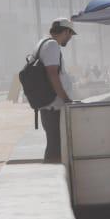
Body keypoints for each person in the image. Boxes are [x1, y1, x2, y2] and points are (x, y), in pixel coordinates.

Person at [35, 19, 76, 163]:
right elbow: (52, 73)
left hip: (49, 104)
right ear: (66, 31)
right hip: (53, 105)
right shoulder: (52, 45)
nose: (70, 39)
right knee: (55, 144)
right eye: (70, 35)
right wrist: (65, 98)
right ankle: (51, 174)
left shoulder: (43, 43)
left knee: (54, 143)